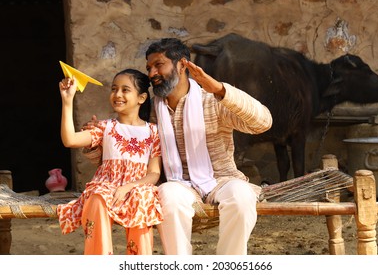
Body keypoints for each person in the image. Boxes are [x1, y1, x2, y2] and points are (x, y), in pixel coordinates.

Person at [84, 38, 273, 255]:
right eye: (149, 67)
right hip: (177, 183)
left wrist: (220, 90)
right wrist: (93, 144)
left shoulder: (212, 100)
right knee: (167, 197)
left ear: (182, 65)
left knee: (241, 197)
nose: (152, 73)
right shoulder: (148, 112)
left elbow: (263, 123)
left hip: (222, 179)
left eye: (159, 65)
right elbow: (119, 153)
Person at [57, 68, 163, 255]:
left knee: (143, 197)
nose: (117, 94)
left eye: (125, 90)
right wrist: (67, 100)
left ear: (142, 98)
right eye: (114, 89)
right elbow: (70, 140)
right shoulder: (105, 127)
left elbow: (154, 173)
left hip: (137, 188)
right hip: (106, 186)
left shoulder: (154, 132)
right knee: (97, 198)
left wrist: (128, 187)